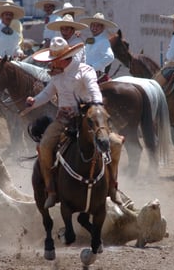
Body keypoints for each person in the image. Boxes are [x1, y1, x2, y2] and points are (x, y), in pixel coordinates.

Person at [22, 37, 123, 209]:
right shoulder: (56, 75)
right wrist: (34, 101)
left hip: (87, 117)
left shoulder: (85, 70)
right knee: (44, 146)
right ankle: (51, 190)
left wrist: (96, 106)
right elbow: (47, 94)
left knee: (114, 143)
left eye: (54, 60)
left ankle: (113, 187)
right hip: (63, 119)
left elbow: (94, 90)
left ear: (63, 59)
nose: (52, 64)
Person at [79, 12, 118, 82]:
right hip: (85, 72)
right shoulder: (92, 39)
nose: (94, 28)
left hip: (95, 75)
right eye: (93, 25)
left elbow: (110, 57)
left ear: (102, 28)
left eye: (97, 26)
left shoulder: (104, 41)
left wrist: (93, 67)